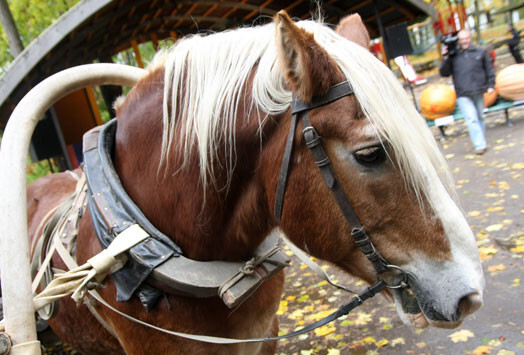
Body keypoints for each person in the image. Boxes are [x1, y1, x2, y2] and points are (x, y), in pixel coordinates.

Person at [439, 29, 495, 155]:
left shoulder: (480, 52)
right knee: (471, 118)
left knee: (479, 117)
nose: (464, 41)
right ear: (458, 40)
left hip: (478, 89)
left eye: (467, 38)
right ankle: (480, 144)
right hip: (462, 93)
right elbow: (444, 73)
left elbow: (489, 69)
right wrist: (446, 57)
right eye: (462, 39)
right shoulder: (453, 56)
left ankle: (481, 140)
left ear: (470, 38)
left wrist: (491, 85)